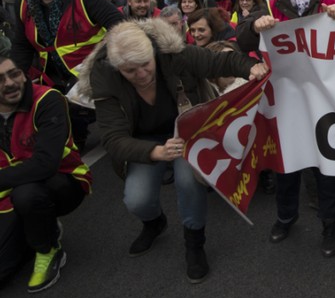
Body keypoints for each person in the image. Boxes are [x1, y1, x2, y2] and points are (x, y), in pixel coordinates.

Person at [76, 18, 265, 283]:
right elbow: (112, 137)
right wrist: (155, 152)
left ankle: (194, 242)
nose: (141, 75)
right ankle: (154, 222)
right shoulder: (104, 73)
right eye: (131, 71)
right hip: (144, 140)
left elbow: (219, 61)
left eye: (145, 65)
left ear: (154, 52)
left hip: (186, 130)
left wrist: (251, 67)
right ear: (117, 68)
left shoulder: (173, 53)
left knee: (189, 183)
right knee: (136, 199)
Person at [236, 0, 335, 257]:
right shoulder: (270, 8)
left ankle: (330, 224)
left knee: (328, 167)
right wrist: (255, 26)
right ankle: (285, 217)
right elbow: (241, 37)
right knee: (287, 166)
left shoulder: (333, 2)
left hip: (326, 105)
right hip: (287, 104)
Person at [11, 0, 124, 149]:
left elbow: (120, 25)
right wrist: (14, 78)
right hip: (49, 73)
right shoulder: (23, 3)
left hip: (89, 67)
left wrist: (101, 59)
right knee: (35, 104)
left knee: (72, 109)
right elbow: (21, 47)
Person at [0, 51, 92, 293]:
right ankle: (35, 229)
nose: (9, 83)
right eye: (0, 79)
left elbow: (45, 164)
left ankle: (48, 249)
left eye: (14, 74)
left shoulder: (46, 100)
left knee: (27, 194)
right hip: (7, 194)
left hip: (61, 183)